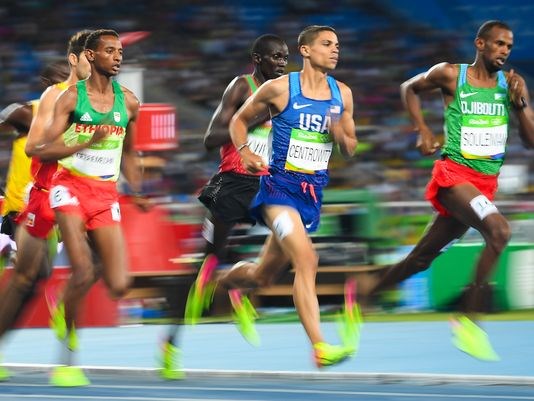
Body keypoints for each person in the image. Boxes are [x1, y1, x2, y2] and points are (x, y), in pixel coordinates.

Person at [362, 20, 534, 361]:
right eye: (498, 44)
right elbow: (408, 88)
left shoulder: (511, 84)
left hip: (483, 184)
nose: (504, 51)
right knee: (499, 231)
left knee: (421, 259)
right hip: (453, 176)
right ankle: (469, 320)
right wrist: (422, 128)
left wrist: (520, 103)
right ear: (480, 44)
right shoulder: (450, 74)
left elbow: (530, 142)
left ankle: (366, 290)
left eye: (509, 47)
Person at [203, 25, 359, 368]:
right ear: (305, 50)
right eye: (327, 44)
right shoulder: (280, 88)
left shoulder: (342, 94)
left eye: (338, 44)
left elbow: (350, 147)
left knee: (263, 276)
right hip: (278, 190)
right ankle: (319, 347)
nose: (335, 50)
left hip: (311, 193)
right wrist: (243, 151)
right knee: (307, 260)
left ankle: (227, 281)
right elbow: (238, 121)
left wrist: (340, 134)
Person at [32, 29, 146, 386]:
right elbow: (39, 150)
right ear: (91, 56)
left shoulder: (128, 102)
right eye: (110, 51)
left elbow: (129, 152)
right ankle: (67, 359)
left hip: (105, 193)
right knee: (82, 269)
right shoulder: (69, 98)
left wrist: (138, 189)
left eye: (120, 51)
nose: (118, 56)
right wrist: (83, 139)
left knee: (119, 284)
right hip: (69, 188)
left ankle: (64, 296)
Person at [0, 32, 92, 382]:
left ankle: (64, 361)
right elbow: (12, 115)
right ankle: (66, 364)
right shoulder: (32, 111)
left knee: (34, 279)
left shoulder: (82, 116)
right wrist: (8, 115)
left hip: (55, 210)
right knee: (25, 280)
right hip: (18, 213)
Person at [184, 34, 289, 341]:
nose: (282, 63)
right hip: (235, 180)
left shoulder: (284, 94)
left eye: (285, 58)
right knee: (211, 255)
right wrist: (254, 119)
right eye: (275, 57)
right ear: (258, 59)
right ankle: (183, 327)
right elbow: (211, 138)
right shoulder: (243, 86)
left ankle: (238, 289)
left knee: (292, 248)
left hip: (268, 184)